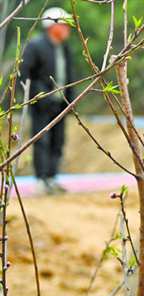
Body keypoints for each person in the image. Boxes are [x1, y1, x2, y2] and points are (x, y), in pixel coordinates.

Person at [19, 7, 74, 195]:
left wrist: (70, 101)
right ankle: (41, 179)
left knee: (58, 140)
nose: (68, 29)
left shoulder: (64, 48)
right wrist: (40, 96)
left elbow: (69, 76)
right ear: (52, 26)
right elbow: (25, 74)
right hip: (42, 104)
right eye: (64, 25)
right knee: (42, 140)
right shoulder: (35, 46)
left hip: (61, 104)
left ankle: (52, 177)